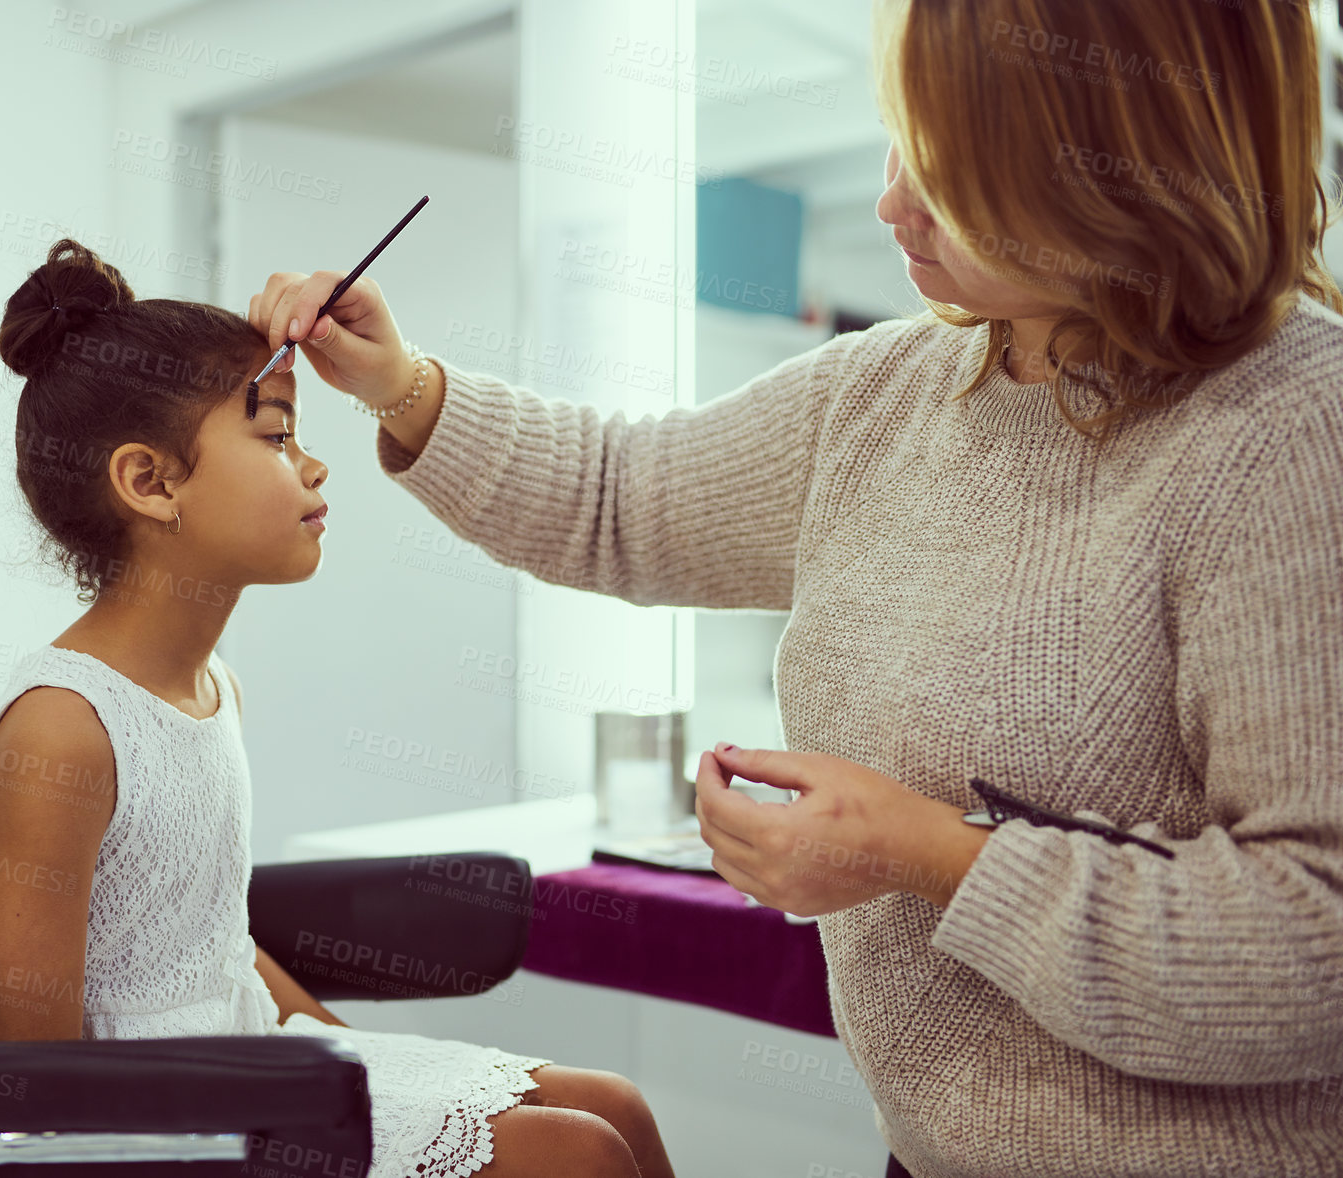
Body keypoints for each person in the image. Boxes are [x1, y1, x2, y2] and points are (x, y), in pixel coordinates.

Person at [245, 2, 1343, 1175]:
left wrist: (927, 853)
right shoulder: (893, 389)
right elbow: (621, 497)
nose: (890, 203)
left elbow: (1313, 940)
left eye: (951, 169)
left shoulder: (1287, 432)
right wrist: (401, 383)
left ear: (1123, 173)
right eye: (897, 139)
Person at [0, 238, 677, 1178]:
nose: (317, 468)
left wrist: (343, 1053)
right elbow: (25, 1076)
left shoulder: (210, 690)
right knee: (575, 1157)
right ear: (150, 482)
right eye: (279, 435)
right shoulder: (65, 730)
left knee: (616, 1106)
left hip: (243, 1051)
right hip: (131, 1113)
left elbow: (211, 944)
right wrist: (316, 1094)